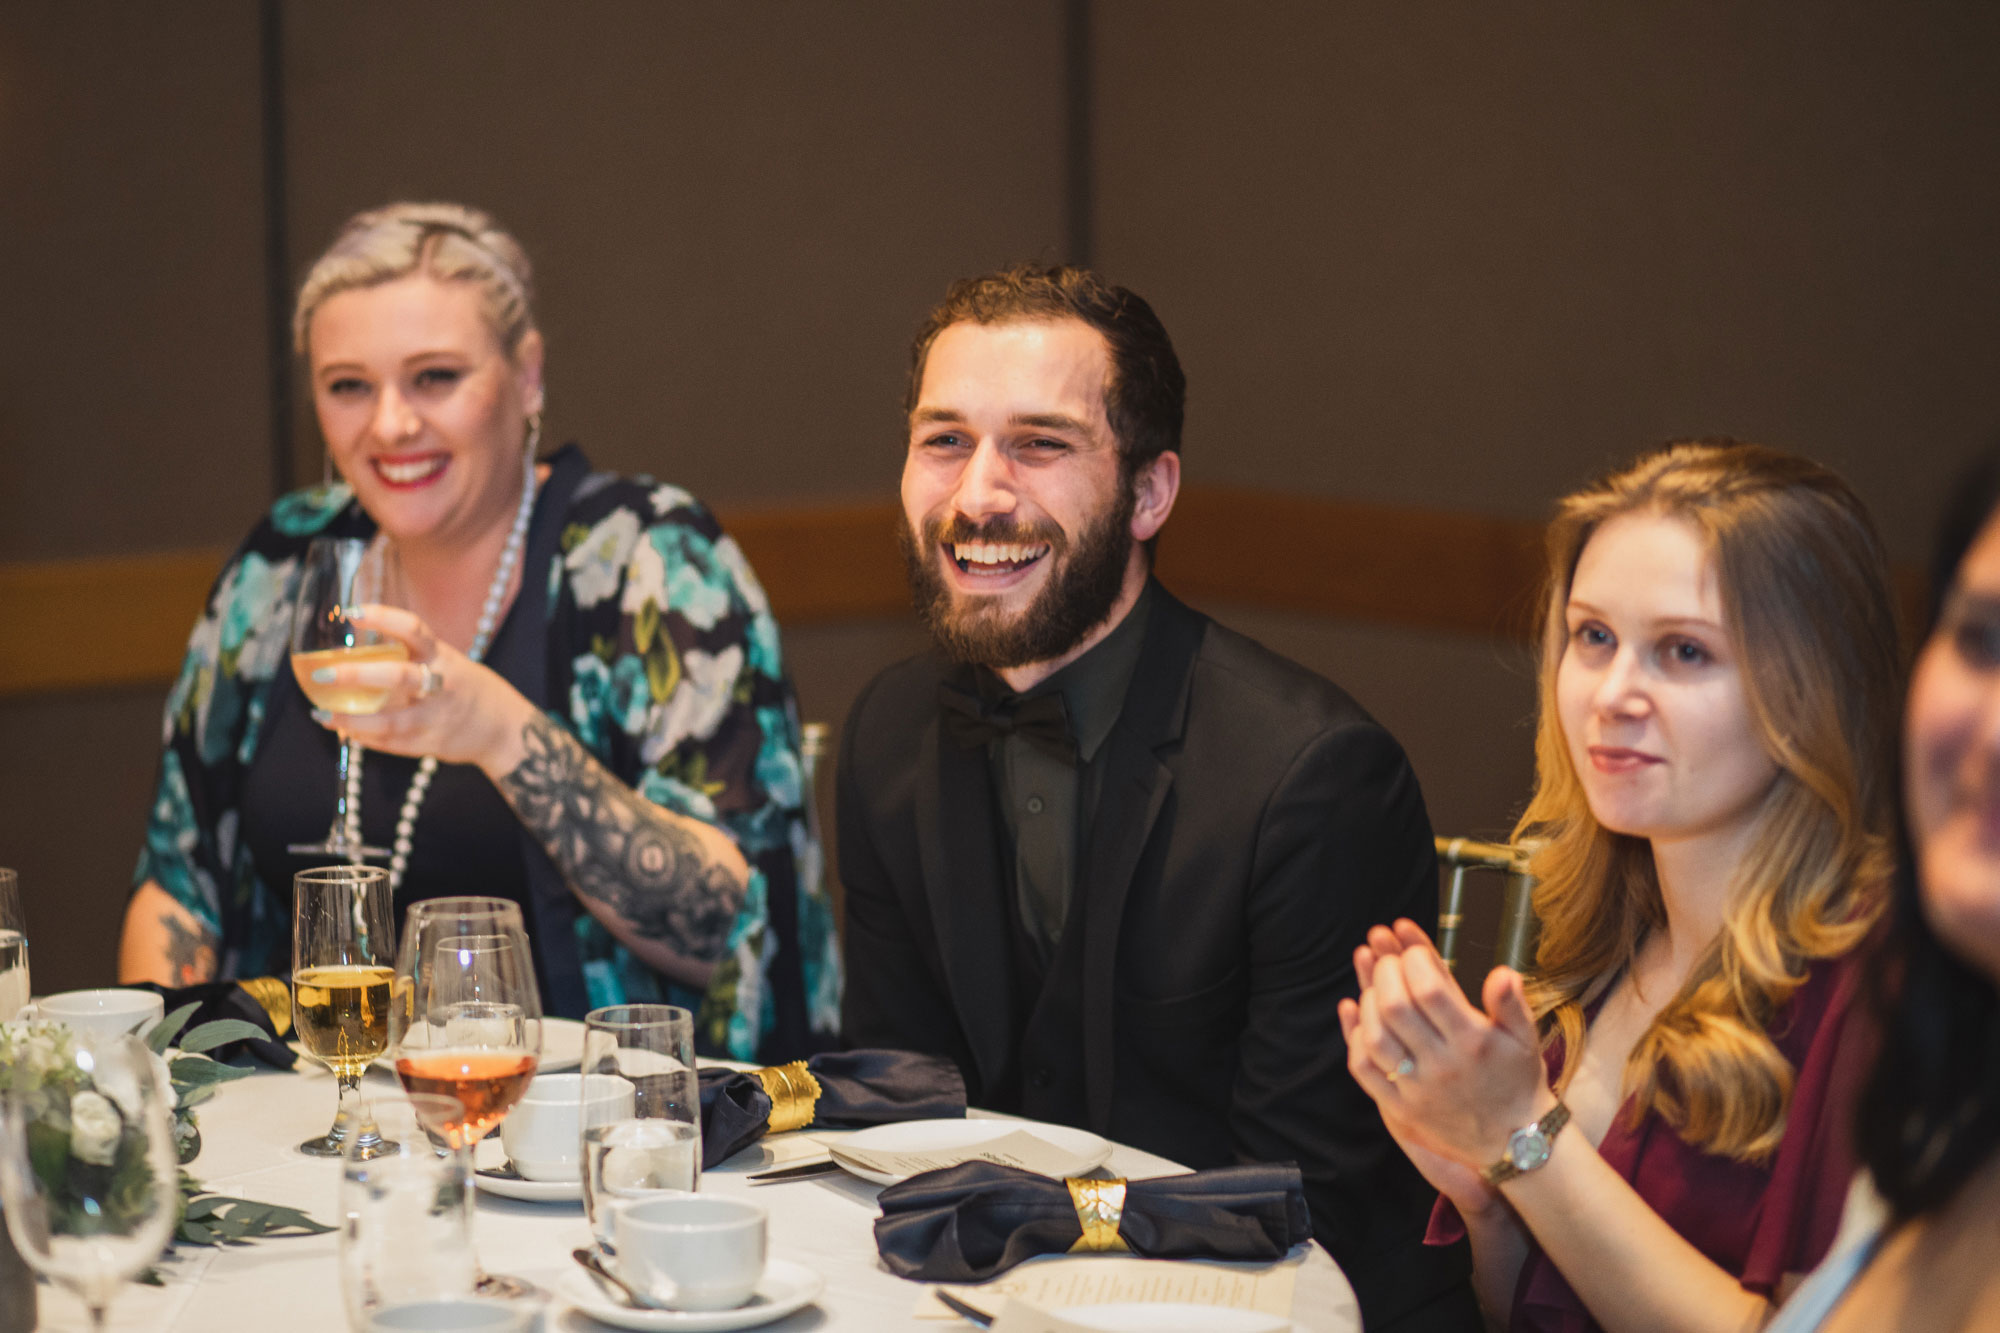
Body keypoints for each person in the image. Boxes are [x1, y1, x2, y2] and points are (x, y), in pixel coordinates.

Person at [838, 263, 1475, 1330]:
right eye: (943, 440)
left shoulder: (1312, 777)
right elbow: (894, 1110)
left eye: (1037, 444)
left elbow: (1303, 1198)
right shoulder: (886, 732)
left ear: (1148, 493)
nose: (977, 495)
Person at [118, 202, 839, 1060]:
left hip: (595, 1126)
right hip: (308, 1121)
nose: (390, 424)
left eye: (435, 377)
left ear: (527, 377)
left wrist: (497, 729)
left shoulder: (647, 556)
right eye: (348, 385)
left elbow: (724, 926)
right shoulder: (281, 565)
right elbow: (180, 880)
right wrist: (153, 1079)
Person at [1341, 441, 1905, 1332]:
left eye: (1683, 651)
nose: (1613, 694)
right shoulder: (1622, 926)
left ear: (1811, 688)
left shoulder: (1876, 975)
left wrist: (1522, 1135)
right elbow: (1532, 1305)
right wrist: (1483, 1188)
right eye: (1593, 636)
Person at [1761, 447, 2000, 1332]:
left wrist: (1525, 1143)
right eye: (1984, 638)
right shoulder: (1941, 1111)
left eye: (1684, 650)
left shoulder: (1837, 976)